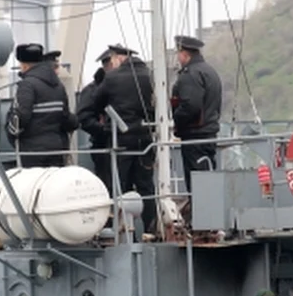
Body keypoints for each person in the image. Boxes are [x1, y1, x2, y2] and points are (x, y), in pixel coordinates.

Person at [93, 44, 157, 236]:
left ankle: (125, 230)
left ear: (119, 58)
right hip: (146, 137)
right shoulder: (150, 75)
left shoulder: (112, 78)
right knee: (146, 185)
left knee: (121, 184)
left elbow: (97, 101)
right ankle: (150, 227)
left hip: (122, 139)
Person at [7, 44, 78, 168]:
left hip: (33, 151)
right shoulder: (58, 85)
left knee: (34, 186)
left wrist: (11, 133)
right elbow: (65, 117)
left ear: (24, 65)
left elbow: (21, 117)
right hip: (57, 149)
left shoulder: (27, 85)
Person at [170, 35, 222, 192]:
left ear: (184, 54)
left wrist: (176, 120)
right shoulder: (209, 71)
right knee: (206, 177)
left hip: (195, 135)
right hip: (207, 132)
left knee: (197, 182)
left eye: (178, 54)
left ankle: (200, 214)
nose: (178, 58)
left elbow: (190, 106)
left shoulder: (191, 74)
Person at [77, 48, 115, 191]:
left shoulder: (126, 85)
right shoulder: (91, 90)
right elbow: (83, 117)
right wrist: (103, 129)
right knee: (107, 183)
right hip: (103, 144)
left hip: (128, 143)